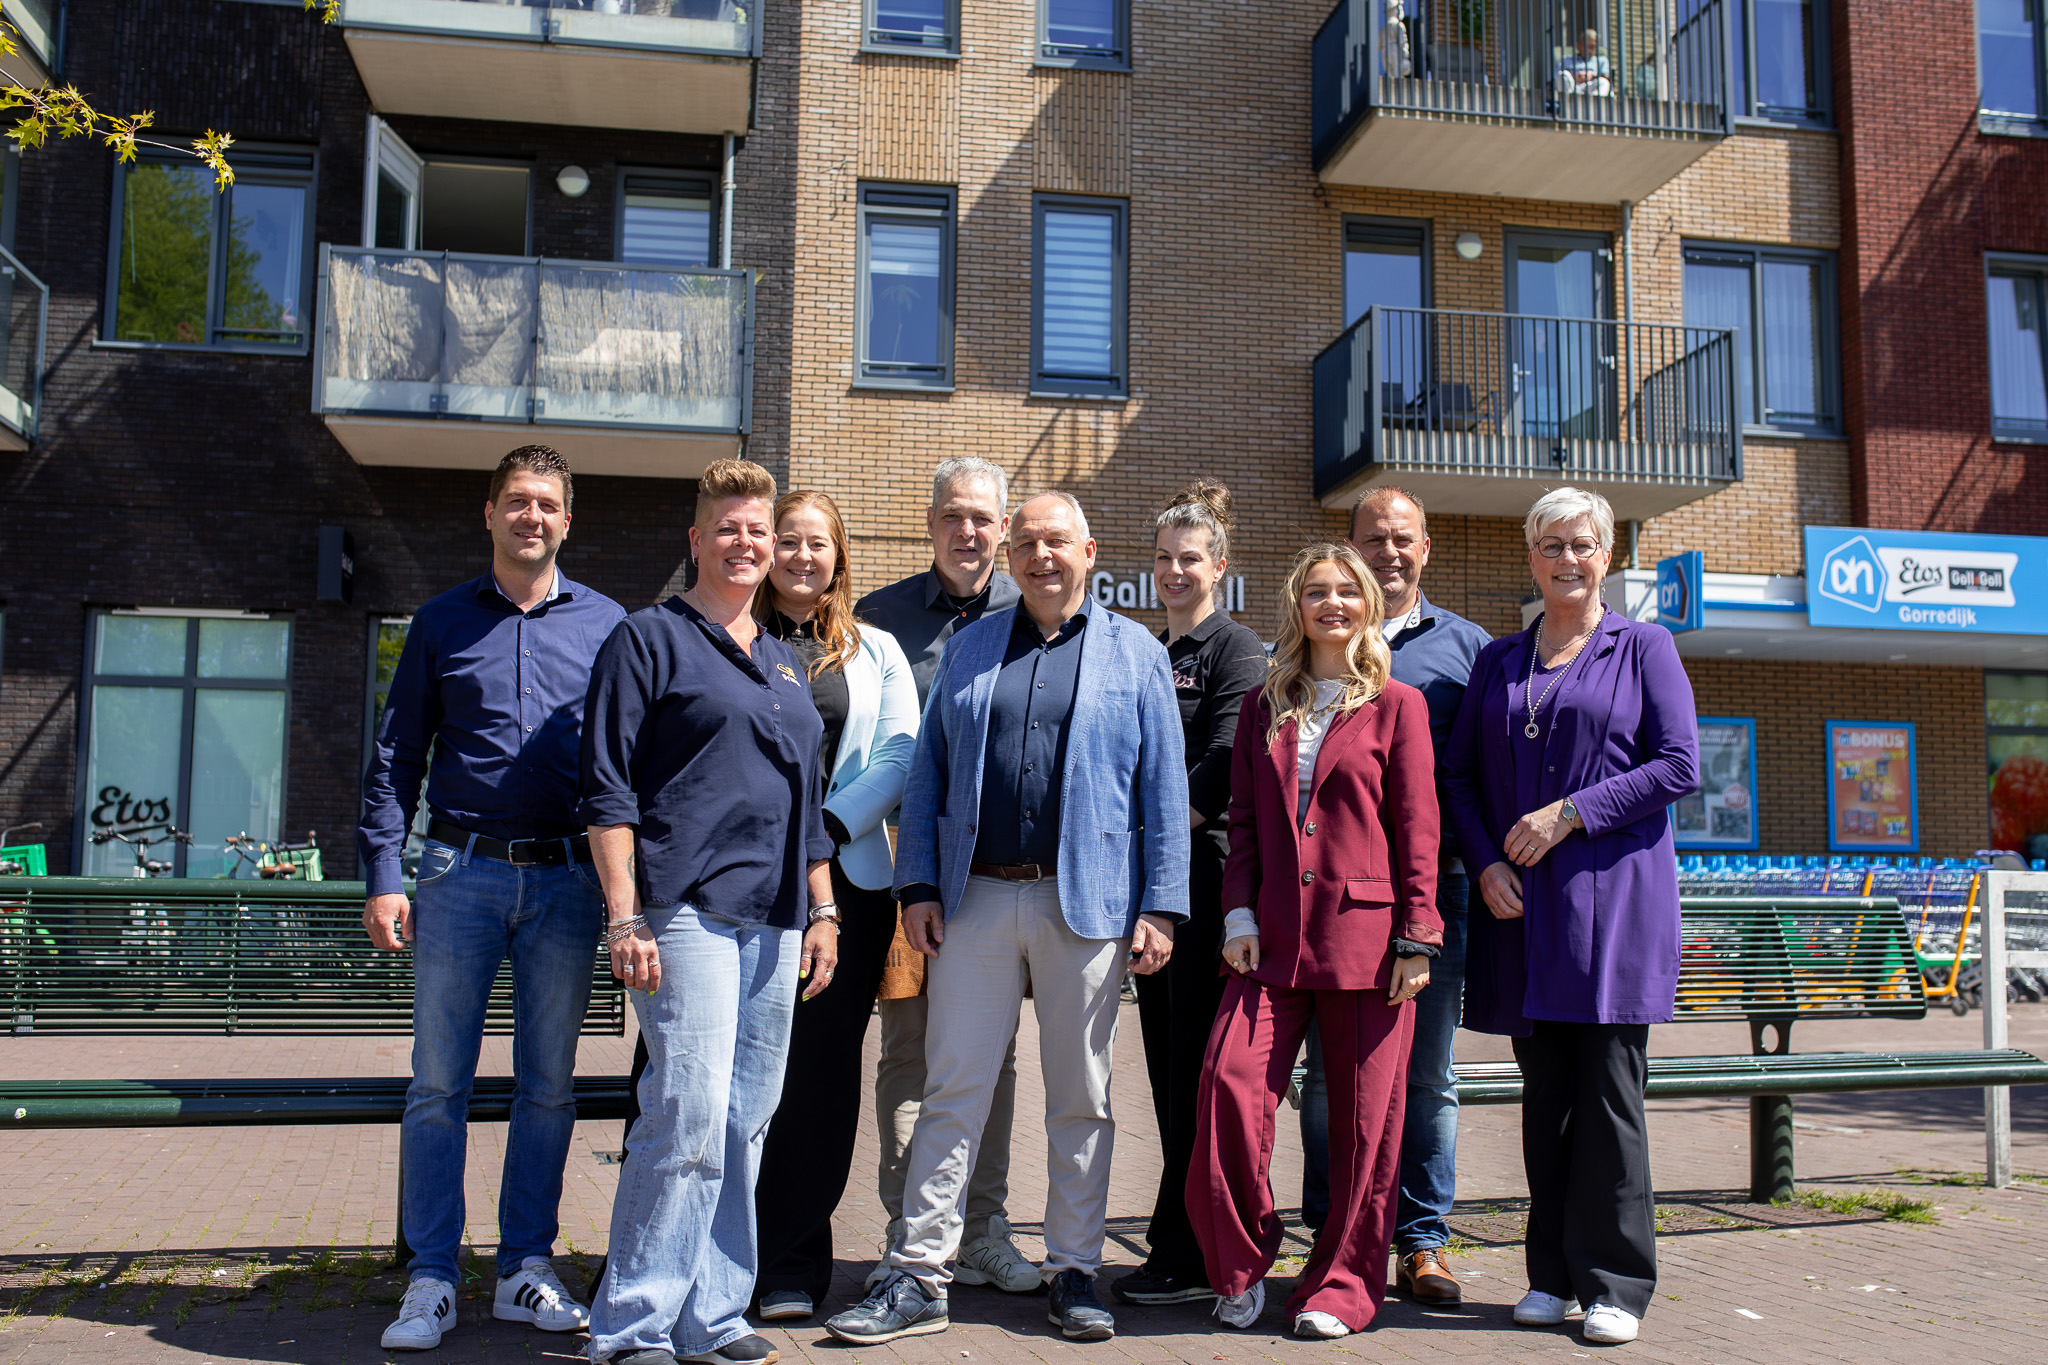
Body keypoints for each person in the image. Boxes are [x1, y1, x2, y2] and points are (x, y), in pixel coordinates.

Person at [825, 491, 1190, 1346]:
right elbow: (928, 775)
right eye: (1024, 542)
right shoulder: (975, 646)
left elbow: (1163, 791)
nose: (1038, 555)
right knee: (952, 1087)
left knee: (1083, 1093)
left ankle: (1074, 1268)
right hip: (976, 896)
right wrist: (916, 885)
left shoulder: (1134, 652)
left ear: (1089, 550)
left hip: (1088, 899)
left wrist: (1162, 905)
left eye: (1054, 540)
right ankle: (919, 1272)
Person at [360, 445, 624, 1353]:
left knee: (548, 1087)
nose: (531, 517)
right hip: (456, 874)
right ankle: (432, 1274)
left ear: (567, 519)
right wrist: (384, 875)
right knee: (438, 1084)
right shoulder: (439, 623)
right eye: (516, 501)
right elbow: (395, 760)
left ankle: (523, 1266)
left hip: (567, 881)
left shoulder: (608, 626)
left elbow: (631, 766)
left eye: (546, 503)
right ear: (489, 514)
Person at [579, 458, 841, 1365]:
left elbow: (807, 805)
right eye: (728, 527)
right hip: (683, 910)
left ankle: (715, 1313)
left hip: (774, 920)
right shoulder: (648, 638)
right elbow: (607, 789)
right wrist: (624, 916)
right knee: (685, 1110)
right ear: (697, 538)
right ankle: (634, 1323)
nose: (746, 541)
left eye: (758, 530)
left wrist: (825, 911)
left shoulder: (782, 660)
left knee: (745, 1118)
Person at [1443, 487, 1699, 1348]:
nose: (1567, 560)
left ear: (1608, 552)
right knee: (1545, 1098)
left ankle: (1617, 1280)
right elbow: (1462, 780)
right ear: (1532, 558)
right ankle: (1549, 1275)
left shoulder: (1646, 648)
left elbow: (1678, 765)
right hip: (1521, 916)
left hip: (1611, 911)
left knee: (1608, 1098)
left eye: (1582, 544)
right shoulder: (1499, 661)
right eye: (1551, 545)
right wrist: (1483, 863)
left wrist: (1570, 812)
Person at [1187, 542, 1440, 1341]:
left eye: (1347, 591)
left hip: (1369, 947)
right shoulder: (1266, 702)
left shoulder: (1399, 703)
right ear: (1297, 605)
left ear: (1368, 602)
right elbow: (1247, 823)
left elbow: (1417, 828)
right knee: (1228, 1083)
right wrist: (1238, 915)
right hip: (1271, 943)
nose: (1334, 604)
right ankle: (1239, 1264)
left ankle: (1344, 1284)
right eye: (1318, 592)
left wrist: (1418, 936)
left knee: (1368, 1127)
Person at [1296, 486, 1490, 1307]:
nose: (1388, 551)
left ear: (1426, 546)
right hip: (1332, 903)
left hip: (1427, 892)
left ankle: (1420, 1238)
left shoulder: (1466, 650)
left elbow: (1480, 774)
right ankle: (1332, 1231)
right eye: (1372, 538)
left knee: (1427, 1075)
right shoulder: (1318, 643)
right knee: (1327, 1077)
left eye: (1402, 537)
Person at [852, 457, 1038, 1293]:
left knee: (992, 1051)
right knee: (911, 1049)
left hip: (996, 877)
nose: (968, 531)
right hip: (903, 866)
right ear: (931, 524)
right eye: (952, 516)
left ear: (1004, 528)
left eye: (983, 518)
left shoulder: (1033, 608)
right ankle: (910, 1223)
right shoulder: (878, 616)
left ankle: (984, 1225)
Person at [750, 491, 920, 1321]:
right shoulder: (724, 632)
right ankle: (697, 1250)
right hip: (735, 881)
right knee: (723, 1069)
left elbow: (898, 753)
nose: (803, 555)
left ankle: (789, 1262)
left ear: (840, 555)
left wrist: (822, 827)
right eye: (789, 539)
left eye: (819, 543)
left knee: (816, 1078)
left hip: (845, 881)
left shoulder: (875, 649)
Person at [1112, 481, 1268, 1308]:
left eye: (1191, 559)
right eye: (1166, 559)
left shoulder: (1235, 649)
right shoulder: (1141, 650)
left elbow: (1219, 765)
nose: (1176, 571)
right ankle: (1184, 1243)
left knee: (1195, 1075)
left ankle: (1194, 1250)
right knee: (1169, 1069)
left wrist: (1154, 843)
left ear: (1219, 565)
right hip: (1146, 885)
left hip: (1199, 886)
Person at [1555, 28, 1613, 96]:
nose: (1589, 50)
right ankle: (1570, 102)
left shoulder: (1601, 60)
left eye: (1592, 47)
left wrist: (1592, 75)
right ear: (1578, 46)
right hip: (1572, 88)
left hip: (1591, 87)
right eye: (1586, 46)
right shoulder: (1565, 60)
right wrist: (1574, 76)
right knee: (1563, 74)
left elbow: (1606, 76)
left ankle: (1594, 104)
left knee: (1603, 82)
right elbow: (1556, 77)